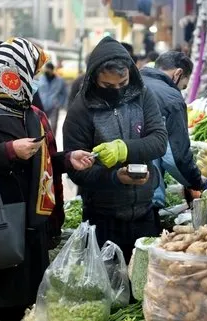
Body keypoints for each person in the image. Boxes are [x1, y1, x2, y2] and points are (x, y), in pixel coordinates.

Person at [0, 37, 93, 321]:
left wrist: (66, 159)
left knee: (25, 309)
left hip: (28, 230)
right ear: (8, 71)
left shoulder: (25, 110)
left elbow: (37, 160)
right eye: (29, 72)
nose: (32, 80)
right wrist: (8, 151)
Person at [63, 36, 168, 263]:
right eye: (108, 86)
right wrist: (114, 177)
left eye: (122, 84)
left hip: (145, 212)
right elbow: (75, 171)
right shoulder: (80, 110)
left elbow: (159, 141)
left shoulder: (142, 95)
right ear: (94, 79)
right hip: (102, 219)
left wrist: (124, 149)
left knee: (144, 287)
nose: (118, 90)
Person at [140, 51, 203, 216]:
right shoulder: (170, 98)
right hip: (145, 192)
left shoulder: (133, 82)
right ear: (178, 73)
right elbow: (175, 158)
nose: (180, 91)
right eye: (183, 86)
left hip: (113, 185)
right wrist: (197, 183)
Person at [68, 42, 135, 104]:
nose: (117, 89)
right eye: (108, 85)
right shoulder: (80, 86)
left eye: (122, 83)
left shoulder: (139, 98)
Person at [37, 62, 67, 133]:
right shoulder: (40, 79)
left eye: (48, 70)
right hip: (42, 106)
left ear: (52, 70)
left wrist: (60, 103)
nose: (47, 71)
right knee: (42, 126)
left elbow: (64, 93)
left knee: (53, 126)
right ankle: (44, 141)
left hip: (54, 106)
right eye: (46, 69)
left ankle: (52, 141)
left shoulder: (59, 80)